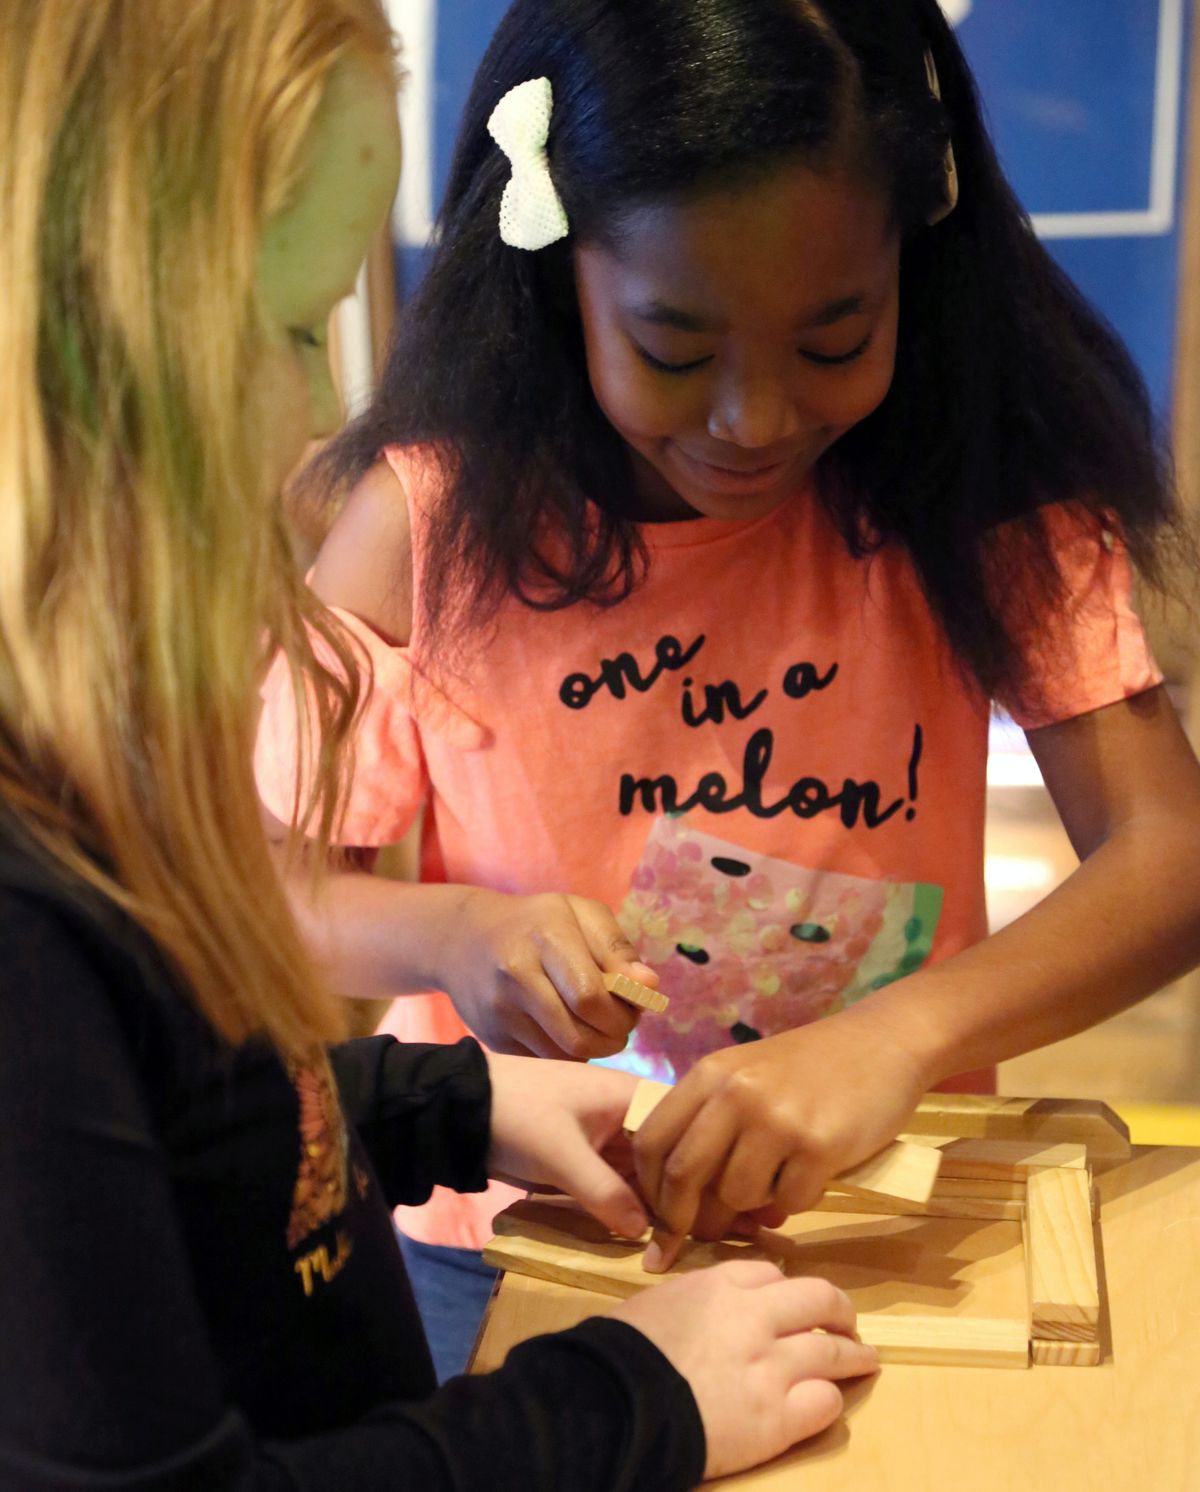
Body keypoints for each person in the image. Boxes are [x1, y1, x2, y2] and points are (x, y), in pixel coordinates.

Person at [0, 3, 881, 1488]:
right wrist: (626, 1399)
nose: (308, 414)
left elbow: (161, 1145)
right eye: (283, 330)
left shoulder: (82, 776)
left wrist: (449, 1105)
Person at [256, 0, 1200, 1372]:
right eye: (675, 348)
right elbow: (271, 903)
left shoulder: (975, 497)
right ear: (555, 263)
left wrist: (900, 1038)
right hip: (519, 1241)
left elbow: (1169, 855)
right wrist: (455, 933)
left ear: (914, 257)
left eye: (834, 341)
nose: (753, 420)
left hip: (888, 1207)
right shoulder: (422, 532)